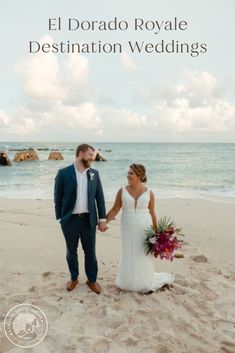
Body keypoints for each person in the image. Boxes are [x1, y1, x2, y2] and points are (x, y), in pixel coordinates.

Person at [106, 164, 174, 293]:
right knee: (129, 251)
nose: (128, 175)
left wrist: (157, 233)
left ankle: (143, 281)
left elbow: (153, 213)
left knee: (142, 253)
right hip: (127, 227)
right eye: (128, 172)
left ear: (139, 176)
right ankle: (128, 281)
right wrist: (104, 222)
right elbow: (115, 209)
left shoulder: (149, 193)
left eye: (131, 173)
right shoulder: (122, 191)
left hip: (145, 227)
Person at [54, 144, 107, 294]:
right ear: (81, 153)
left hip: (88, 220)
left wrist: (102, 218)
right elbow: (57, 197)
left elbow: (100, 198)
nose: (92, 157)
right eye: (90, 154)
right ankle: (74, 278)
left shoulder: (94, 174)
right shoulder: (63, 173)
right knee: (71, 251)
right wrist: (60, 218)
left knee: (90, 251)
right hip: (69, 220)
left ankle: (92, 280)